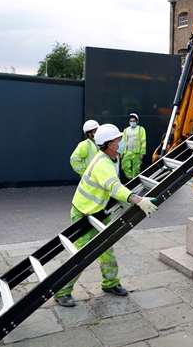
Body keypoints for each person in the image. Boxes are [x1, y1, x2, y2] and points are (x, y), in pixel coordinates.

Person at [54, 124, 158, 307]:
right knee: (80, 255)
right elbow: (114, 187)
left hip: (98, 211)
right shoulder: (103, 163)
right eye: (119, 139)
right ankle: (62, 291)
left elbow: (112, 187)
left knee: (107, 248)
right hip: (84, 212)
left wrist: (127, 200)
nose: (122, 142)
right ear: (110, 144)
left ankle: (110, 283)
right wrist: (138, 200)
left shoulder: (112, 158)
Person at [121, 113, 146, 180]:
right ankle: (130, 178)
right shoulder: (126, 130)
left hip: (136, 153)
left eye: (134, 121)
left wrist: (142, 153)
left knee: (136, 168)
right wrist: (121, 152)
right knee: (124, 165)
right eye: (131, 121)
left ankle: (135, 181)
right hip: (127, 152)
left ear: (137, 121)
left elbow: (143, 142)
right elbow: (123, 141)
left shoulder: (141, 129)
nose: (132, 122)